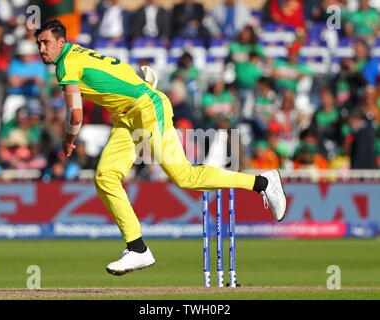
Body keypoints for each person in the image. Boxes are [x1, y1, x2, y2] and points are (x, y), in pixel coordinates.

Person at [34, 20, 287, 276]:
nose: (42, 48)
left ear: (61, 42)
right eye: (39, 43)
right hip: (128, 115)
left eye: (46, 42)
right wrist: (145, 82)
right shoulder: (80, 53)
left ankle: (263, 183)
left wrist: (68, 139)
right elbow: (117, 71)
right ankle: (137, 249)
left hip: (146, 108)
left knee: (185, 176)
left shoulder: (66, 64)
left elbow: (75, 115)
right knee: (105, 176)